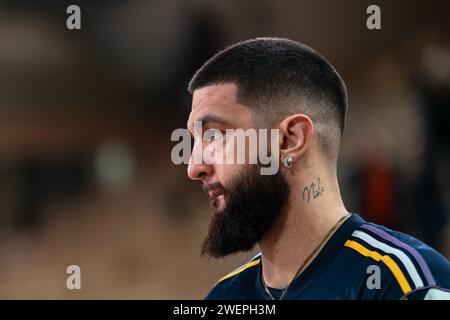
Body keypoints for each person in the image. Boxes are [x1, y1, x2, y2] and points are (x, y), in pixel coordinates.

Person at [185, 37, 450, 300]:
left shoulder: (403, 285)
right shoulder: (223, 296)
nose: (194, 167)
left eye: (214, 135)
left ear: (290, 139)